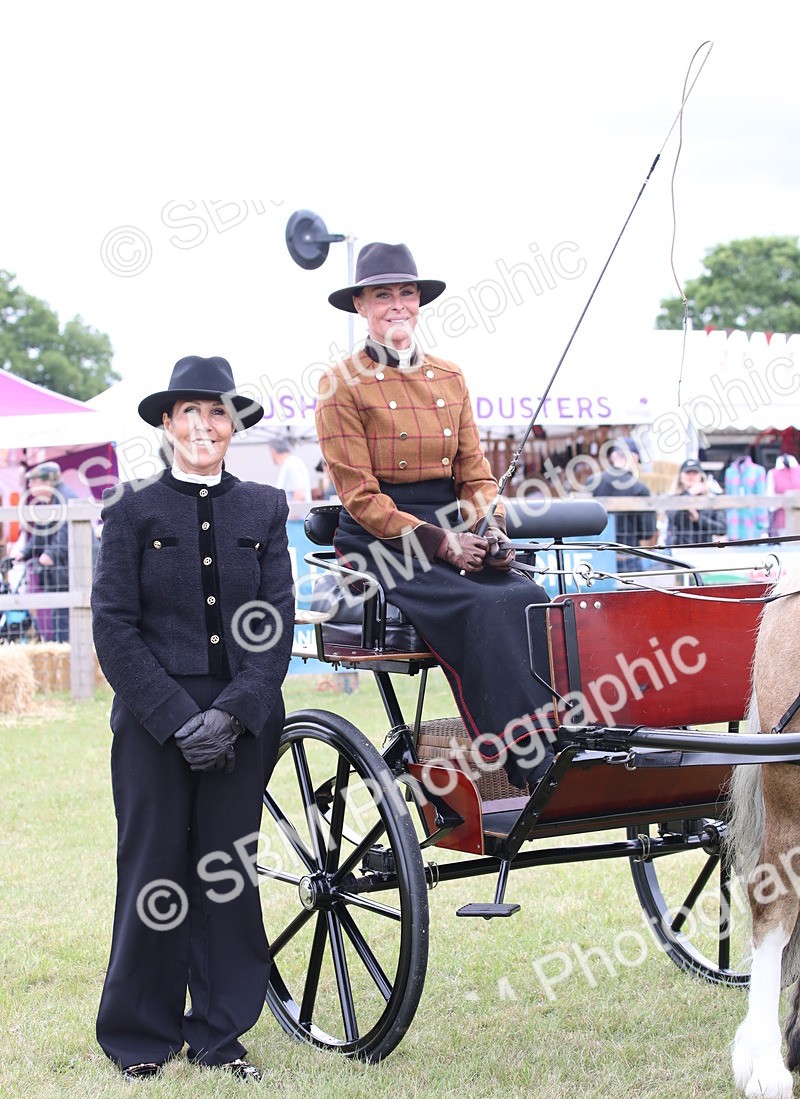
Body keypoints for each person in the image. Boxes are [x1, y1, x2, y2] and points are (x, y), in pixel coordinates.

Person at [91, 355, 295, 1083]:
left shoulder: (265, 509)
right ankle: (139, 1036)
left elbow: (275, 626)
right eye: (191, 413)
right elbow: (114, 628)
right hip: (154, 721)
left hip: (243, 718)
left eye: (219, 413)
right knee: (153, 867)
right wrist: (179, 720)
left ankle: (218, 1034)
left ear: (233, 425)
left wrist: (235, 714)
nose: (206, 426)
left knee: (226, 871)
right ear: (169, 424)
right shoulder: (131, 510)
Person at [315, 242, 554, 792]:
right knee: (484, 603)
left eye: (406, 293)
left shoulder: (450, 376)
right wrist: (443, 544)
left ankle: (563, 737)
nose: (396, 305)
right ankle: (526, 758)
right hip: (382, 540)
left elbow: (475, 472)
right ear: (360, 306)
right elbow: (360, 497)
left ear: (419, 302)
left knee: (529, 595)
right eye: (382, 295)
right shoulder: (339, 384)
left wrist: (488, 526)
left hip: (455, 525)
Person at [14, 461, 76, 642]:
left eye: (33, 481)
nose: (30, 486)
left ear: (48, 482)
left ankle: (66, 656)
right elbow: (40, 533)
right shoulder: (51, 501)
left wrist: (50, 554)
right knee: (58, 616)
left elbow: (67, 530)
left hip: (72, 571)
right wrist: (24, 553)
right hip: (61, 572)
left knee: (65, 618)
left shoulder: (65, 498)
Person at [590, 438, 657, 573]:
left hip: (596, 556)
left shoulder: (591, 482)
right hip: (628, 556)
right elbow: (647, 532)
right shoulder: (640, 488)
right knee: (630, 594)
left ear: (613, 456)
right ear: (635, 457)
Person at [665, 458, 726, 546]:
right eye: (688, 473)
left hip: (704, 549)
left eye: (695, 473)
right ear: (680, 477)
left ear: (701, 476)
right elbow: (673, 518)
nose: (691, 476)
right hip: (677, 549)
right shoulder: (673, 498)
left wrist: (698, 519)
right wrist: (689, 494)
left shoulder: (710, 499)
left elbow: (722, 529)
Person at [268, 436, 312, 502]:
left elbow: (300, 494)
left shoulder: (292, 464)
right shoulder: (290, 464)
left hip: (296, 511)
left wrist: (292, 512)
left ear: (273, 451)